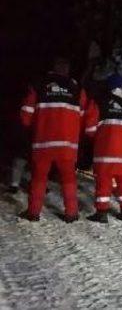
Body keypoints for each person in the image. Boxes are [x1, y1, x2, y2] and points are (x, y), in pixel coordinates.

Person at [19, 57, 87, 222]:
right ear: (67, 70)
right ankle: (71, 213)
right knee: (69, 178)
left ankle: (33, 212)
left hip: (43, 143)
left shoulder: (39, 84)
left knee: (39, 177)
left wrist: (32, 126)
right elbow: (83, 116)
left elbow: (26, 115)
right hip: (67, 145)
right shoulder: (77, 89)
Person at [84, 73, 122, 223]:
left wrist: (99, 138)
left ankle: (102, 213)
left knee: (103, 182)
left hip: (105, 152)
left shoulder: (99, 100)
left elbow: (90, 128)